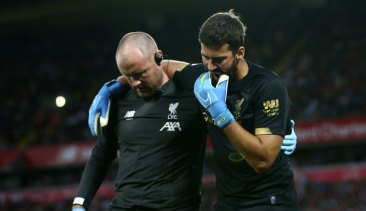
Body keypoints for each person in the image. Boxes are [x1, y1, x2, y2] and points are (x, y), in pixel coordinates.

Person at [87, 10, 299, 210]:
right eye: (205, 57)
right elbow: (157, 65)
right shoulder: (202, 78)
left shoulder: (267, 86)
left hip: (270, 199)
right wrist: (113, 86)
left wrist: (220, 114)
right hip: (228, 203)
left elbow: (262, 161)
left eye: (218, 60)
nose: (210, 66)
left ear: (239, 53)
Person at [72, 32, 208, 211]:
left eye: (140, 74)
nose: (135, 82)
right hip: (123, 206)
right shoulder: (117, 100)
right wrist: (79, 203)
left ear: (159, 57)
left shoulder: (193, 94)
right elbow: (102, 154)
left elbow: (212, 72)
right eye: (127, 76)